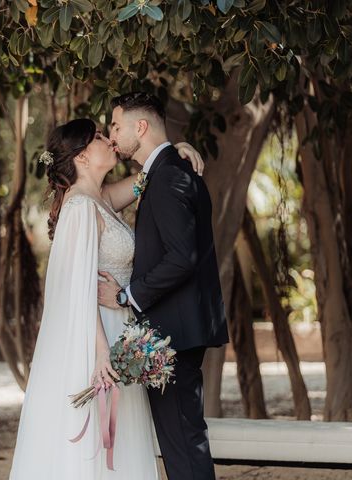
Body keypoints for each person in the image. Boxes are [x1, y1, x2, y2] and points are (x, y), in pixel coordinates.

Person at [9, 118, 204, 479]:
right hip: (97, 336)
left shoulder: (99, 198)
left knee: (120, 438)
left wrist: (174, 152)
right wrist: (101, 352)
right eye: (99, 137)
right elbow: (79, 290)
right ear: (82, 157)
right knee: (95, 446)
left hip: (117, 326)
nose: (108, 140)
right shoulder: (81, 207)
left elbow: (147, 177)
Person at [98, 92, 229, 480]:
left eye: (116, 126)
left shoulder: (170, 174)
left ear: (141, 127)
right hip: (177, 329)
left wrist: (126, 296)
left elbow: (181, 258)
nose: (112, 135)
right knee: (182, 442)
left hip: (174, 334)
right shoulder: (165, 170)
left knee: (183, 444)